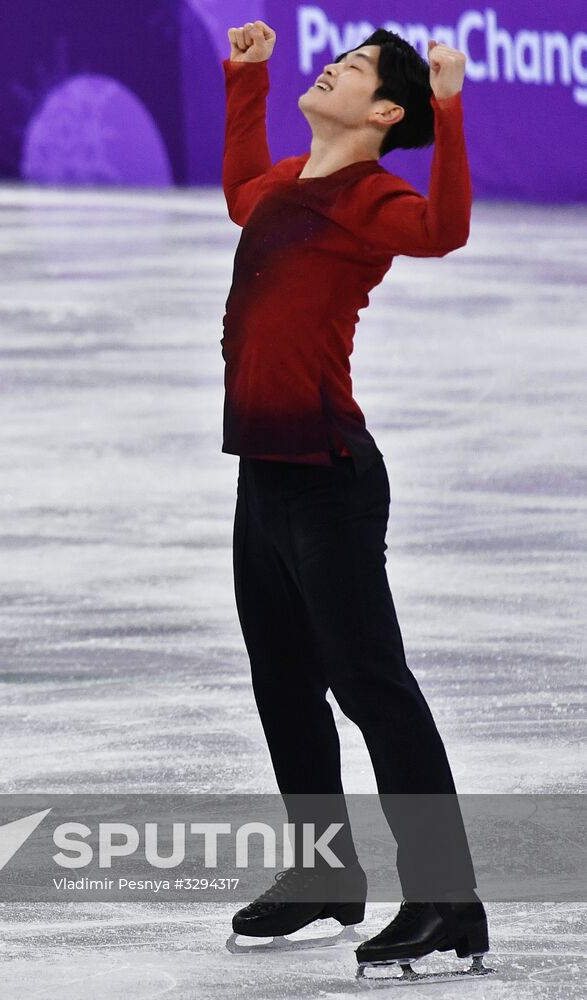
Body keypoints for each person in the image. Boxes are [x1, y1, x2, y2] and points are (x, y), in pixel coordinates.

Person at [218, 21, 490, 975]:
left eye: (358, 67)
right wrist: (244, 85)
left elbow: (443, 231)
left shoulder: (370, 195)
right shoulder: (290, 179)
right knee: (283, 684)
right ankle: (322, 874)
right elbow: (240, 195)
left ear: (383, 112)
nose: (333, 65)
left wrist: (448, 107)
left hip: (329, 476)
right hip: (263, 473)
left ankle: (446, 897)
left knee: (369, 684)